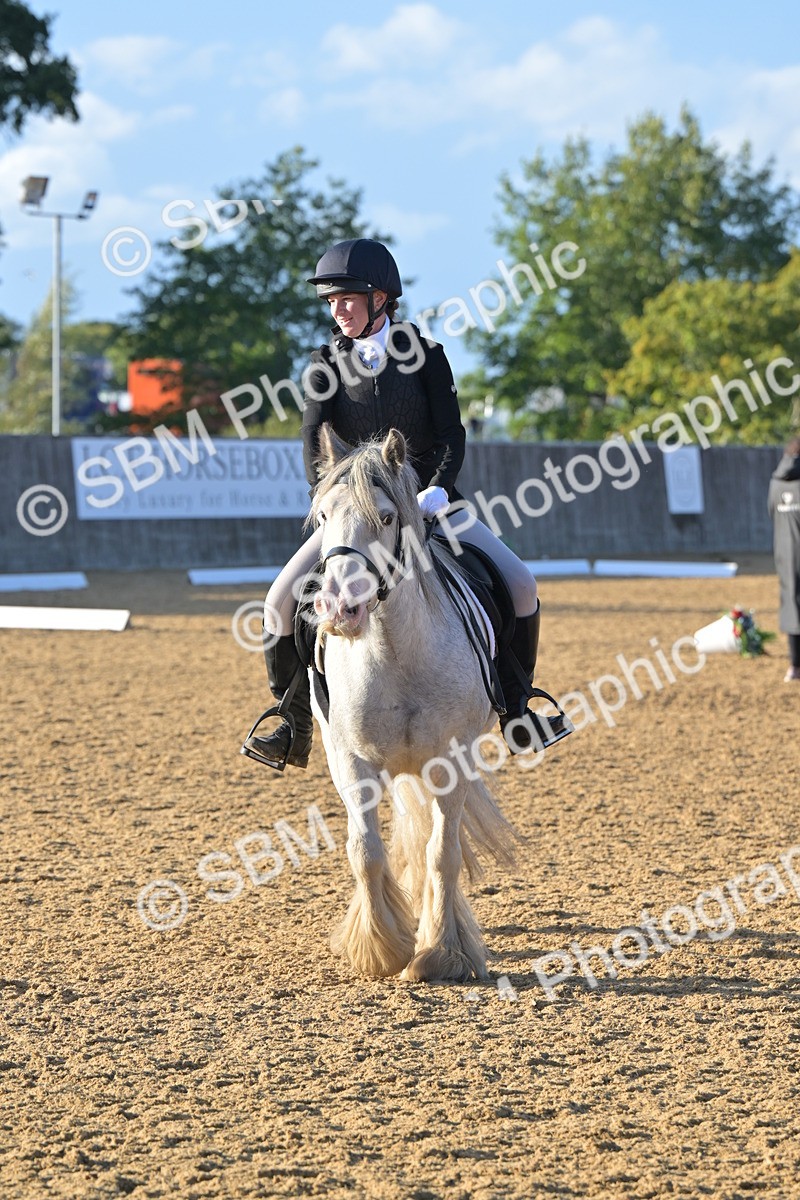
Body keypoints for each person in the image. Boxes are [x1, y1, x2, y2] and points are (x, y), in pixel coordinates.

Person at [242, 238, 570, 770]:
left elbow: (450, 434)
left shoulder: (426, 356)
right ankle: (292, 718)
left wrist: (437, 486)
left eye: (348, 299)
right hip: (353, 511)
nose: (338, 310)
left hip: (431, 501)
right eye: (331, 302)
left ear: (381, 299)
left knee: (520, 583)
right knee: (278, 601)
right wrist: (332, 500)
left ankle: (516, 704)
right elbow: (312, 443)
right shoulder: (323, 363)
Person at [768, 436, 800, 682]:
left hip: (785, 554)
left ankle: (794, 666)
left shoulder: (775, 484)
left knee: (791, 606)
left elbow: (771, 513)